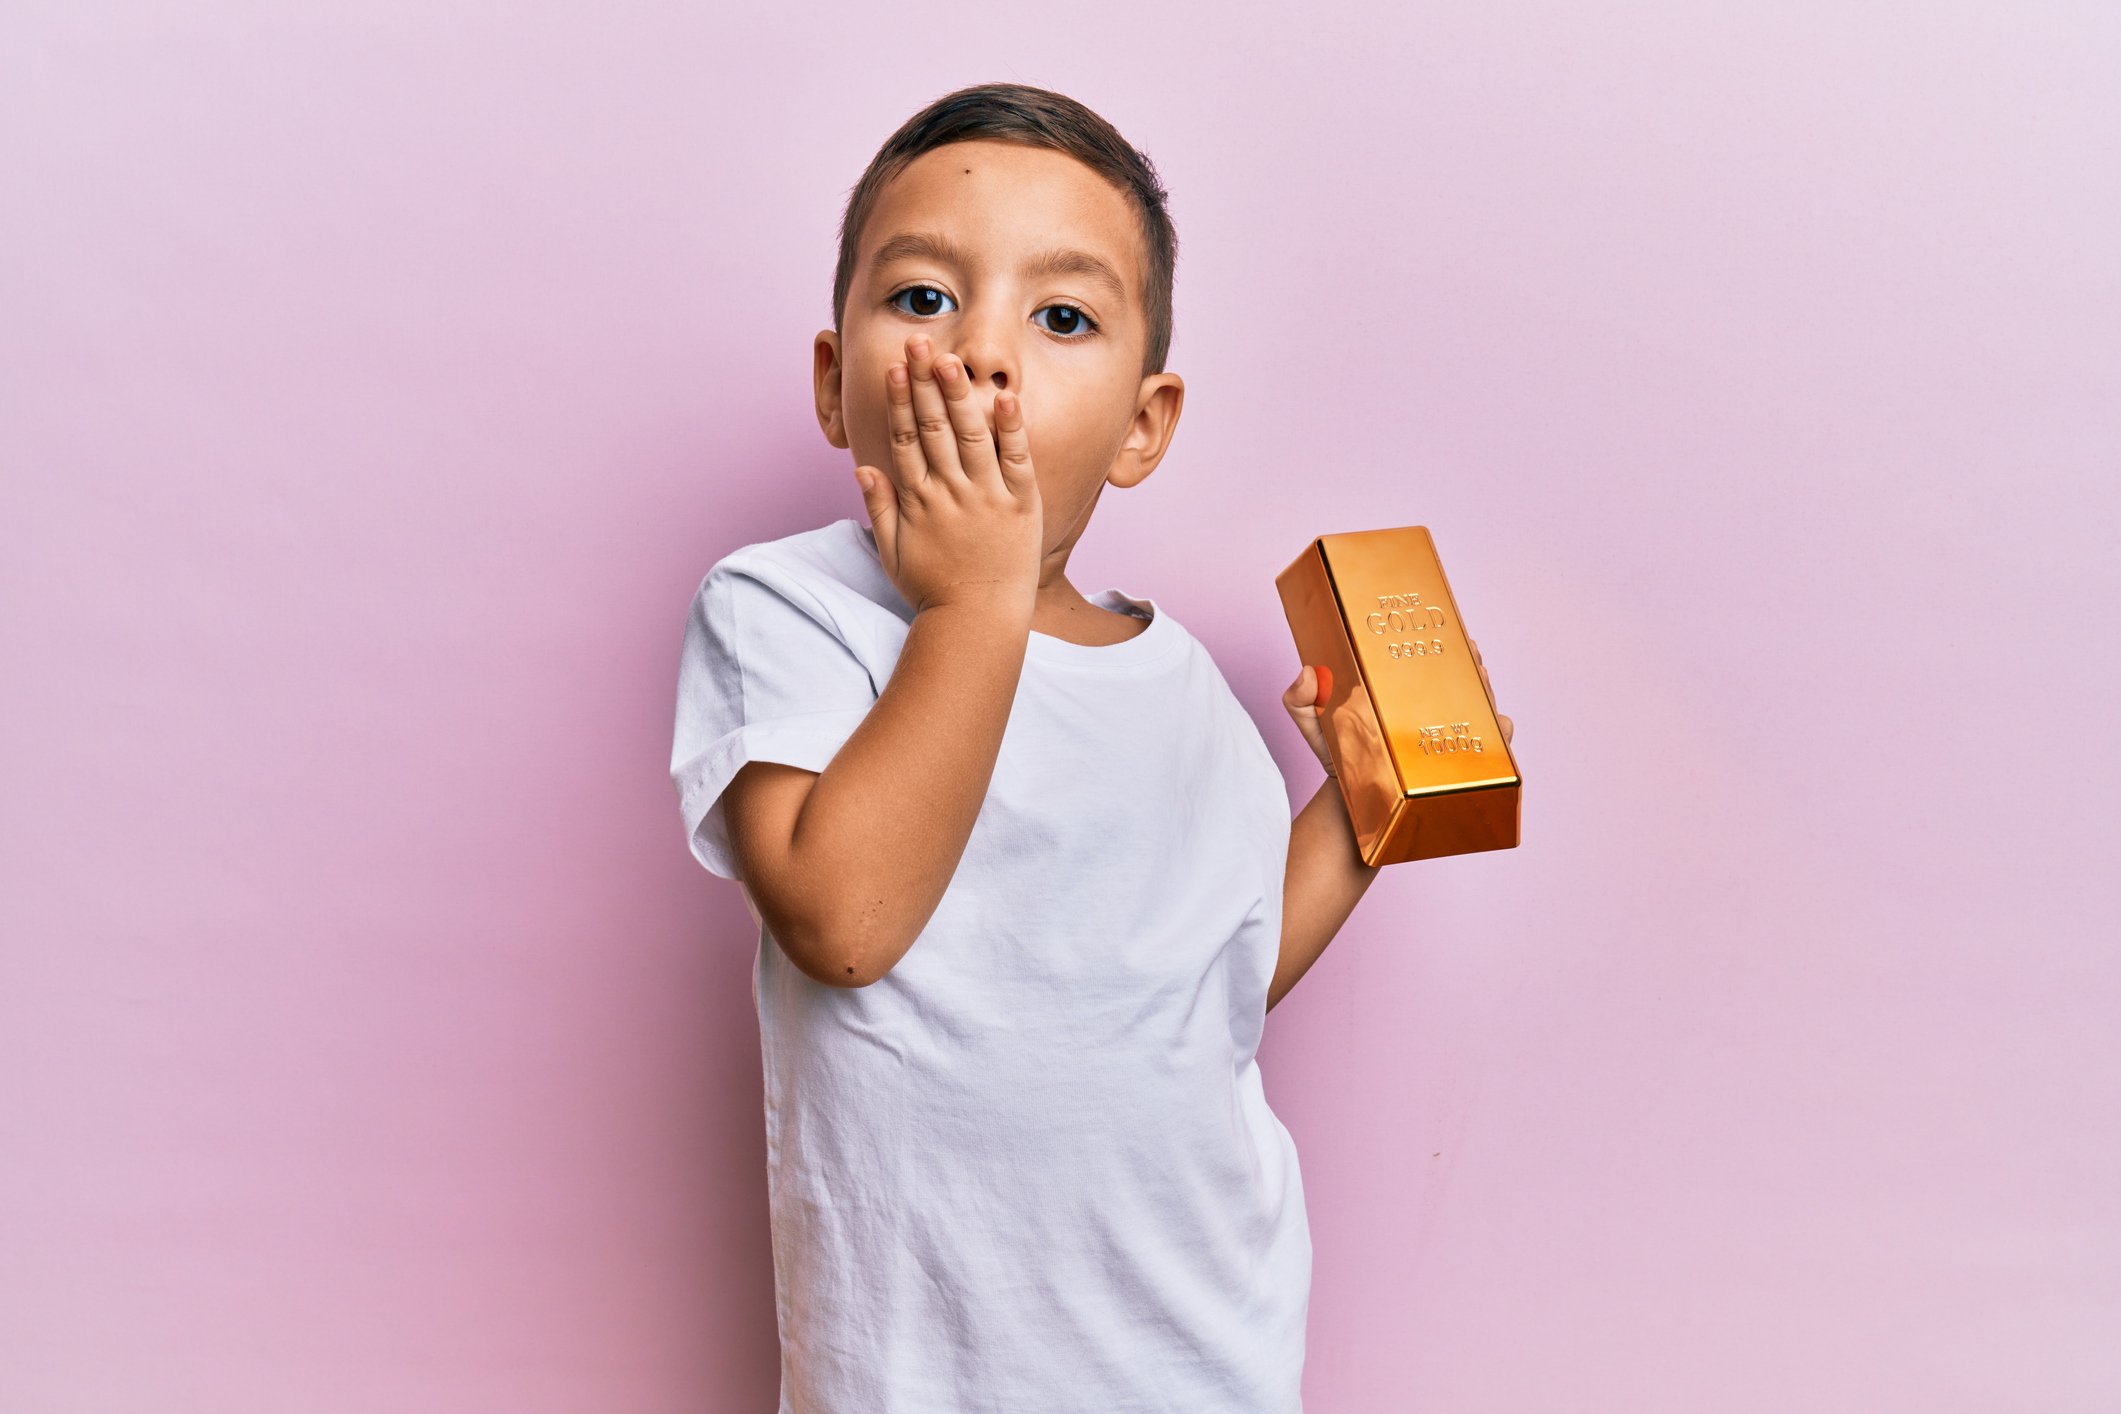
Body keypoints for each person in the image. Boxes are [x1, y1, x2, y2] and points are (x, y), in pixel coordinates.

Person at [668, 81, 1510, 1413]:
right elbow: (841, 917)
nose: (984, 354)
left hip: (1196, 1350)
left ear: (1141, 426)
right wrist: (975, 602)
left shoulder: (1178, 688)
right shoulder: (785, 611)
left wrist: (1357, 821)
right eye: (924, 299)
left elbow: (1199, 986)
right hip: (921, 1374)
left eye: (1059, 317)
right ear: (836, 385)